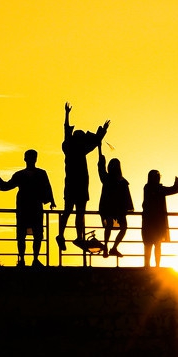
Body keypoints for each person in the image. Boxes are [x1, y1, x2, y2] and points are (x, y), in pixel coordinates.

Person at [0, 150, 55, 267]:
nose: (31, 160)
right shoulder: (25, 174)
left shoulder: (36, 174)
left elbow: (47, 187)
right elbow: (5, 186)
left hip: (32, 206)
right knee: (24, 234)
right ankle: (24, 259)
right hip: (26, 206)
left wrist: (51, 200)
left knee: (36, 234)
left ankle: (32, 259)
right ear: (27, 159)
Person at [56, 103, 108, 253]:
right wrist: (103, 130)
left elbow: (66, 131)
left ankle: (61, 234)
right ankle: (78, 236)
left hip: (71, 183)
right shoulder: (81, 149)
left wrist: (67, 114)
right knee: (80, 212)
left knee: (68, 210)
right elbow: (95, 140)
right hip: (81, 184)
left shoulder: (68, 147)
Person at [96, 138, 133, 257]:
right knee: (121, 227)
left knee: (111, 226)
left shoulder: (108, 179)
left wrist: (99, 148)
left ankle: (108, 247)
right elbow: (127, 197)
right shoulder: (121, 181)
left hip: (111, 208)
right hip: (115, 209)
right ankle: (112, 247)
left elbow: (101, 167)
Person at [142, 170, 178, 268]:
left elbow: (172, 190)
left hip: (149, 221)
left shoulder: (148, 187)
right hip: (156, 222)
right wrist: (177, 184)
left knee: (150, 244)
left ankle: (148, 265)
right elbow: (173, 190)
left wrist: (176, 185)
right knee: (156, 244)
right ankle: (156, 266)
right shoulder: (156, 188)